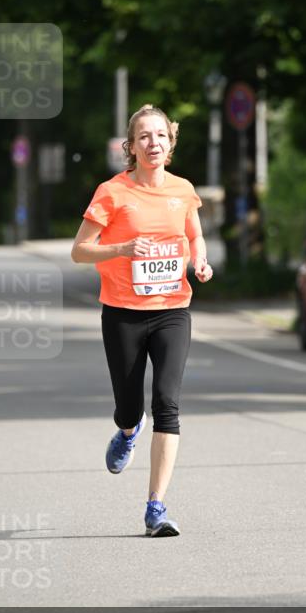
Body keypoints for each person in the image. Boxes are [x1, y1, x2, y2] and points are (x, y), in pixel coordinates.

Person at [71, 104, 213, 537]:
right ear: (130, 147)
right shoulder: (111, 192)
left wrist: (200, 260)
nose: (153, 143)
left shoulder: (184, 189)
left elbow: (194, 233)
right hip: (122, 313)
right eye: (144, 137)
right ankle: (127, 430)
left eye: (161, 136)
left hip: (173, 310)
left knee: (167, 403)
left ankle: (156, 508)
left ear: (171, 143)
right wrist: (121, 249)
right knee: (130, 406)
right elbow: (79, 250)